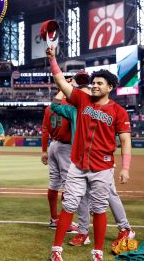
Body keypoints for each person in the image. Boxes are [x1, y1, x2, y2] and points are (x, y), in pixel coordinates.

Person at [46, 46, 132, 261]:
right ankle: (56, 250)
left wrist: (126, 167)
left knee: (99, 208)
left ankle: (97, 252)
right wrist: (53, 59)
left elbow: (125, 140)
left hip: (102, 167)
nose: (94, 86)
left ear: (109, 87)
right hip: (78, 165)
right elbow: (61, 83)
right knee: (69, 205)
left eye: (99, 83)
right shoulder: (81, 101)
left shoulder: (118, 112)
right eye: (93, 83)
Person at [40, 83, 77, 233]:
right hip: (66, 148)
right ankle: (65, 222)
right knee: (68, 185)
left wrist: (44, 151)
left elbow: (44, 130)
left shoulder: (50, 108)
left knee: (54, 183)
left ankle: (54, 218)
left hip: (53, 146)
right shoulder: (71, 105)